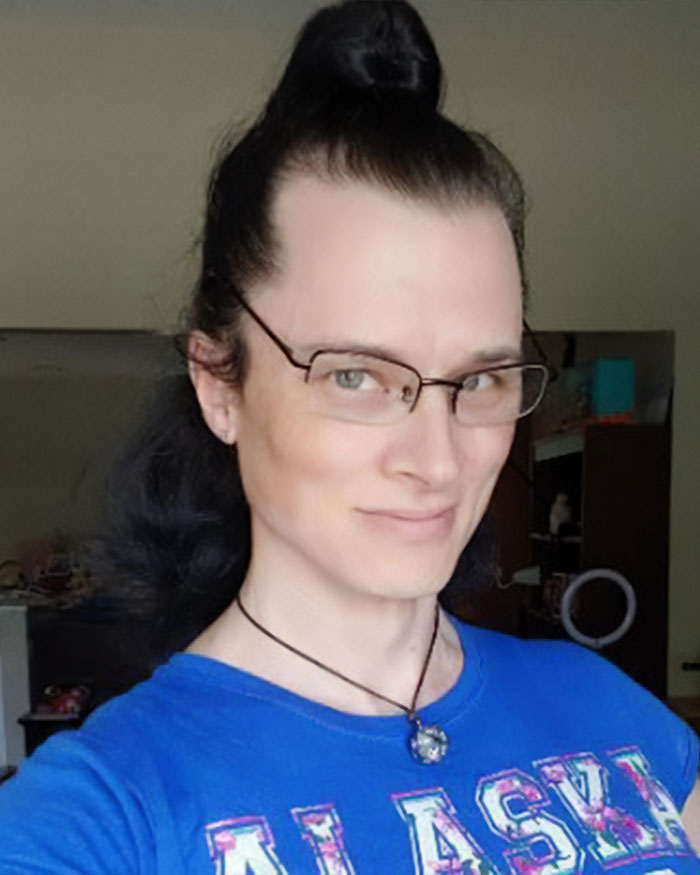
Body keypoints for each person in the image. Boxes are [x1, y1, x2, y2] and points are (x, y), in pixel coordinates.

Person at [0, 2, 698, 873]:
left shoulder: (602, 703)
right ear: (220, 381)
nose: (439, 459)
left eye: (477, 379)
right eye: (357, 376)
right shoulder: (107, 812)